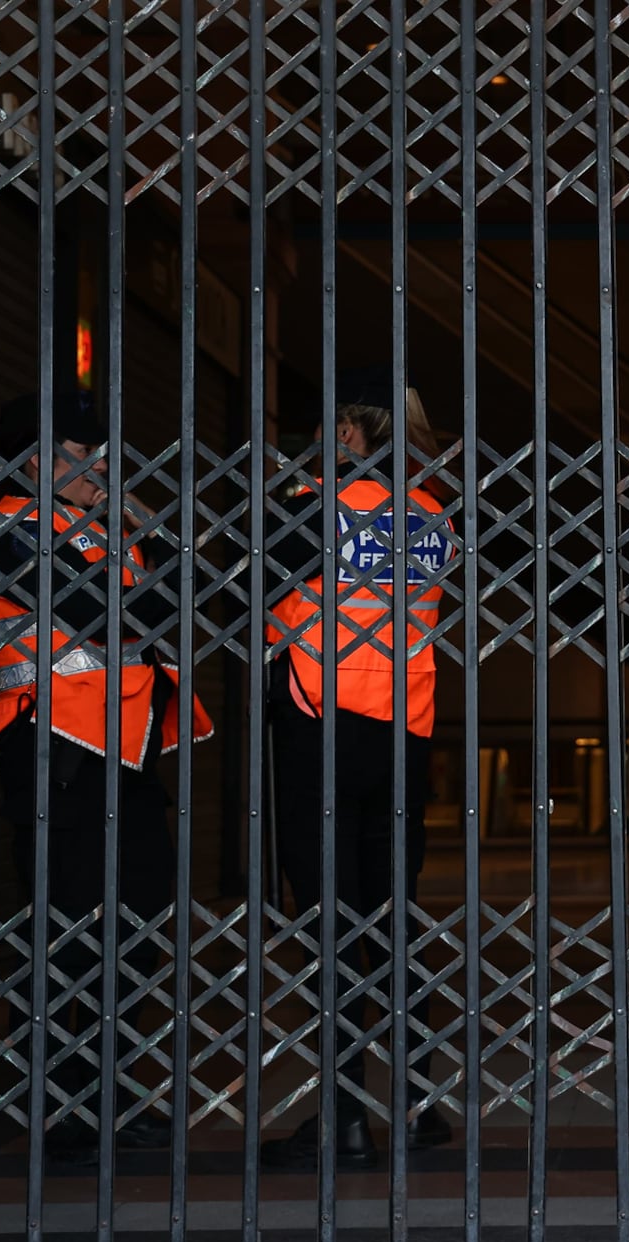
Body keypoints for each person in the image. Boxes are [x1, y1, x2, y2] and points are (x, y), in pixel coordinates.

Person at [0, 389, 213, 1166]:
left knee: (135, 922)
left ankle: (86, 1082)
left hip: (130, 750)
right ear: (40, 461)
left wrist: (147, 525)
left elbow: (189, 593)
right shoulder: (3, 528)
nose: (105, 469)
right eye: (87, 456)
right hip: (54, 752)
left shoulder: (105, 530)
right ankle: (67, 1098)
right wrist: (139, 587)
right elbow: (92, 610)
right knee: (71, 930)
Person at [260, 365, 455, 1169]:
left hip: (321, 729)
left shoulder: (316, 513)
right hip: (404, 735)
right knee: (394, 919)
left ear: (347, 431)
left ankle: (345, 1115)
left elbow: (243, 589)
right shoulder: (433, 517)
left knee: (330, 927)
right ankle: (415, 1102)